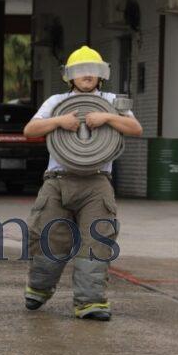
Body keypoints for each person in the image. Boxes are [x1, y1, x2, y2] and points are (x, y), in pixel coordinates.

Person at [22, 46, 142, 322]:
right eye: (80, 71)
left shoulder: (112, 100)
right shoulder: (55, 101)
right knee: (50, 238)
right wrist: (59, 121)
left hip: (97, 182)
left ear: (102, 75)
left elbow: (135, 129)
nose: (87, 75)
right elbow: (30, 130)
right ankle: (38, 288)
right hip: (58, 180)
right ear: (69, 77)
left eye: (93, 70)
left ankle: (90, 303)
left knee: (97, 241)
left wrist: (108, 117)